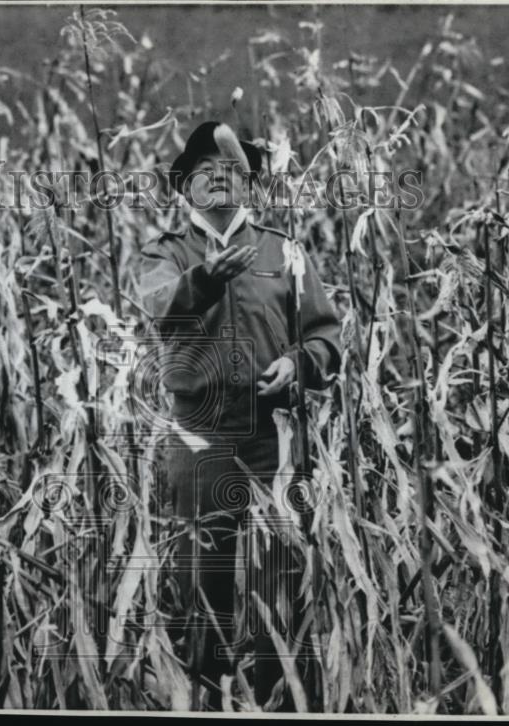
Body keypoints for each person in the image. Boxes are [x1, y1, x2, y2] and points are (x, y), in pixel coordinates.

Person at [136, 121, 342, 710]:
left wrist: (299, 364)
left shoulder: (284, 250)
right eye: (206, 175)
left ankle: (280, 698)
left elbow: (326, 334)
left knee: (281, 575)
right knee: (207, 577)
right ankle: (205, 696)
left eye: (231, 173)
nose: (220, 183)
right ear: (185, 189)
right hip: (200, 443)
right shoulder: (166, 253)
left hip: (274, 441)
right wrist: (207, 277)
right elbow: (160, 310)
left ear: (249, 185)